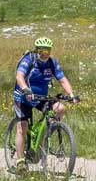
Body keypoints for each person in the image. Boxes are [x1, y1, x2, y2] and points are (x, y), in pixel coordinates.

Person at [12, 37, 78, 173]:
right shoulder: (29, 59)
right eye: (42, 50)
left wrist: (71, 95)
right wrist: (25, 89)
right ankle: (20, 161)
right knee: (22, 127)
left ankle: (47, 134)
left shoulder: (52, 62)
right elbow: (19, 76)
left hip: (41, 97)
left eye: (48, 51)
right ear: (37, 50)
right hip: (23, 96)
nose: (45, 54)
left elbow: (62, 79)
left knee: (60, 108)